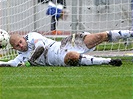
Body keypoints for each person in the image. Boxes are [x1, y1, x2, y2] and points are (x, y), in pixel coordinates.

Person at [0, 29, 133, 67]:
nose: (21, 45)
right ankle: (109, 61)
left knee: (101, 36)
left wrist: (30, 61)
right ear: (13, 48)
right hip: (60, 58)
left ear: (23, 38)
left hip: (66, 43)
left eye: (21, 42)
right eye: (17, 45)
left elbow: (40, 47)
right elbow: (7, 64)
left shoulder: (32, 36)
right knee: (72, 57)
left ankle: (130, 33)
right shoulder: (20, 58)